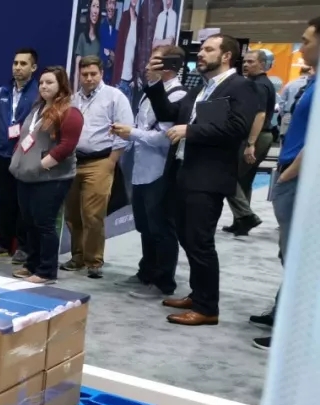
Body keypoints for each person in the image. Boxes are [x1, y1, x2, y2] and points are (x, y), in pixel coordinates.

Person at [144, 33, 257, 326]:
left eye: (208, 49)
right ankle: (198, 294)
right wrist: (155, 83)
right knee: (187, 237)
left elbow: (237, 128)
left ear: (226, 56)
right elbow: (169, 113)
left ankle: (207, 308)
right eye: (202, 49)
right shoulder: (202, 88)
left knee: (200, 241)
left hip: (208, 177)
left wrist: (190, 131)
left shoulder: (240, 86)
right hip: (184, 172)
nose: (201, 54)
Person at [251, 17, 318, 350]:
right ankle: (283, 313)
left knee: (299, 258)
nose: (301, 47)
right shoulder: (313, 82)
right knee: (290, 254)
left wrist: (288, 177)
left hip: (300, 177)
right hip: (293, 171)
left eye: (306, 40)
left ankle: (293, 331)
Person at [111, 45, 188, 299]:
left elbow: (166, 138)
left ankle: (163, 281)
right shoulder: (150, 93)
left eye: (154, 62)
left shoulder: (177, 95)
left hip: (160, 170)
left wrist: (131, 133)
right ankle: (146, 271)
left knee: (161, 227)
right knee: (145, 225)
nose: (146, 66)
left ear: (169, 65)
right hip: (141, 167)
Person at [9, 66, 83, 284]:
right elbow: (26, 137)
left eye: (49, 82)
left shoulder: (70, 112)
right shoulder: (37, 108)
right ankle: (32, 264)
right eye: (41, 82)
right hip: (27, 176)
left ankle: (46, 271)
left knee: (44, 223)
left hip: (53, 178)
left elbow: (66, 146)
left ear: (61, 85)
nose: (43, 86)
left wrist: (40, 165)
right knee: (30, 222)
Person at [63, 56, 132, 279]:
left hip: (101, 161)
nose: (89, 78)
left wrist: (111, 161)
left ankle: (94, 261)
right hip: (74, 162)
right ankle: (77, 257)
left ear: (101, 73)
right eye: (85, 74)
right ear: (79, 75)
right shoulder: (73, 100)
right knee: (72, 214)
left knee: (93, 215)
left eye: (93, 74)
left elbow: (125, 131)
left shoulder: (115, 97)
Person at [0, 47, 40, 263]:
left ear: (33, 67)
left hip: (25, 158)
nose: (18, 67)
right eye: (15, 63)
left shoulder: (38, 93)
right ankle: (3, 243)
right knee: (4, 202)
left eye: (23, 64)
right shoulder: (4, 92)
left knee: (24, 205)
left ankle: (23, 247)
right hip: (2, 155)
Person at [224, 50, 277, 236]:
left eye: (251, 62)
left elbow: (259, 115)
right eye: (245, 61)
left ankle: (246, 216)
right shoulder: (260, 83)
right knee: (244, 180)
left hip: (257, 136)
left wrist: (250, 144)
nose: (246, 65)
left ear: (262, 64)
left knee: (228, 176)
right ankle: (241, 222)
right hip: (261, 136)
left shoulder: (258, 85)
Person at [278, 65, 313, 138]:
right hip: (305, 118)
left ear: (300, 72)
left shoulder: (290, 84)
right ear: (310, 72)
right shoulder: (311, 85)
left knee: (284, 139)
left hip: (288, 115)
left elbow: (281, 101)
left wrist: (283, 115)